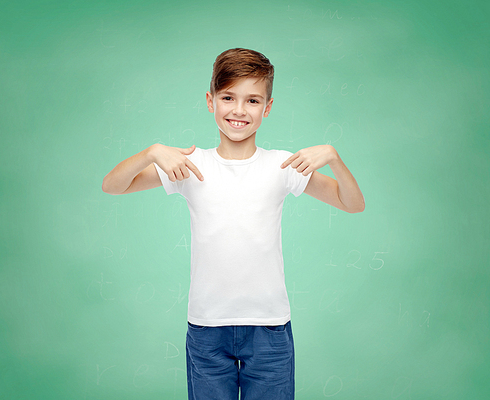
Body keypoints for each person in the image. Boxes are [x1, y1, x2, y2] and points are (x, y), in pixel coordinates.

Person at [102, 48, 365, 400]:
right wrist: (151, 152)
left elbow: (353, 204)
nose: (239, 110)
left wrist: (333, 156)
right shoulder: (190, 164)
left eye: (252, 100)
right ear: (211, 101)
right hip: (207, 326)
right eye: (228, 97)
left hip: (269, 326)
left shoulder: (282, 165)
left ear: (267, 108)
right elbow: (112, 185)